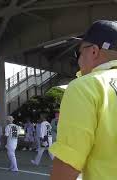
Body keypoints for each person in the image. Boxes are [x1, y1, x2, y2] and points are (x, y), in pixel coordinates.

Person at [50, 20, 117, 180]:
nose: (78, 61)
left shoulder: (86, 87)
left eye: (78, 53)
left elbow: (68, 162)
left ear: (94, 51)